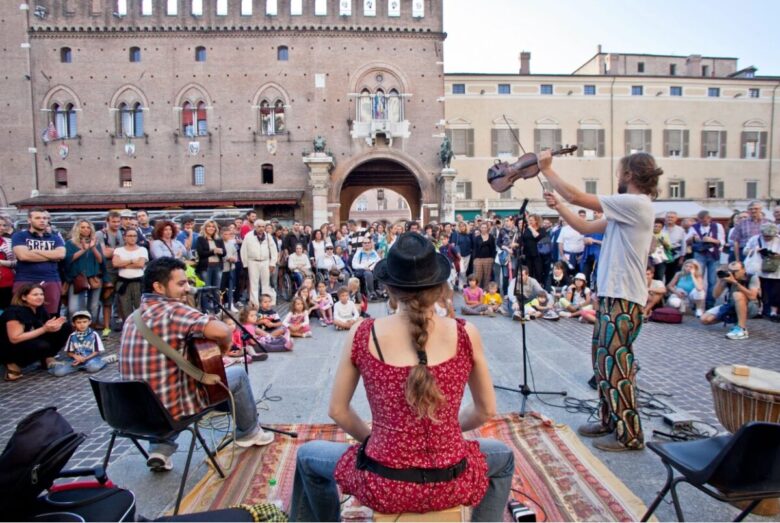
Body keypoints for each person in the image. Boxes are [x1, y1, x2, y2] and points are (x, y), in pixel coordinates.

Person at [290, 233, 513, 521]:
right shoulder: (465, 333)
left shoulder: (362, 333)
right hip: (451, 480)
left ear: (390, 289)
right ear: (439, 287)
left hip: (384, 482)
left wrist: (374, 439)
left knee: (308, 457)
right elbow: (486, 411)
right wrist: (445, 430)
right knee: (503, 457)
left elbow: (338, 411)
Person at [542, 151, 661, 452]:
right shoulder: (627, 210)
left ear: (630, 175)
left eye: (620, 171)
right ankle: (611, 422)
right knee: (603, 362)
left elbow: (577, 196)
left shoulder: (636, 204)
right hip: (613, 295)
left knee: (616, 365)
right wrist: (559, 207)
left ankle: (629, 435)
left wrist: (548, 170)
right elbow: (584, 228)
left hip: (624, 298)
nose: (618, 176)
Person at [119, 258, 274, 472]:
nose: (187, 288)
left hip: (134, 412)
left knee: (163, 383)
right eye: (181, 284)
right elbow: (224, 330)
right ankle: (249, 432)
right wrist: (224, 348)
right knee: (237, 374)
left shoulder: (133, 317)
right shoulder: (173, 310)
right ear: (158, 287)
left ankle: (160, 448)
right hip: (169, 410)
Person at [0, 283, 71, 381]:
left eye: (41, 294)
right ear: (24, 297)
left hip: (28, 340)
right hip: (8, 347)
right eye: (35, 295)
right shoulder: (14, 312)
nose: (40, 297)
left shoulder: (39, 309)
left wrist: (53, 326)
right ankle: (12, 364)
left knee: (64, 327)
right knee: (41, 345)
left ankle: (47, 357)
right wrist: (44, 329)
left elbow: (43, 328)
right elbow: (14, 338)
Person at [11, 208, 66, 316]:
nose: (42, 221)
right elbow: (23, 256)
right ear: (29, 220)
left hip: (51, 279)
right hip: (25, 279)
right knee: (21, 314)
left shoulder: (55, 238)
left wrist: (34, 251)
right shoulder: (20, 236)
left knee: (50, 315)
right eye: (38, 218)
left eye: (45, 218)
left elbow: (60, 255)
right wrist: (51, 255)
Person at [700, 261, 761, 340]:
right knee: (704, 319)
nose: (734, 273)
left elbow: (752, 296)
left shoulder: (752, 278)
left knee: (737, 294)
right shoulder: (728, 278)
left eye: (736, 271)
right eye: (731, 271)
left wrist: (735, 283)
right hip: (732, 305)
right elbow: (715, 295)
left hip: (751, 307)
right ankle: (733, 318)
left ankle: (742, 329)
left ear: (744, 270)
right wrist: (720, 281)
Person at [63, 220, 105, 323]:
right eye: (83, 227)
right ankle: (74, 328)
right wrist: (83, 250)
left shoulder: (95, 242)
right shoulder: (70, 243)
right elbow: (68, 259)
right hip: (77, 277)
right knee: (74, 308)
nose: (86, 229)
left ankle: (89, 329)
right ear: (77, 229)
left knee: (93, 307)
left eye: (88, 227)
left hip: (94, 277)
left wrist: (93, 247)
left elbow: (100, 260)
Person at [50, 310, 106, 377]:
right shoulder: (72, 336)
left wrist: (85, 358)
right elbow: (69, 352)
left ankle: (103, 360)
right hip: (75, 360)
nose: (82, 325)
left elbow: (96, 351)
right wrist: (75, 356)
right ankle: (66, 365)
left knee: (93, 368)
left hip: (90, 358)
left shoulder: (93, 334)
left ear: (89, 322)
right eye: (78, 322)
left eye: (85, 322)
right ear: (74, 324)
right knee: (59, 372)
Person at [687, 210, 724, 309]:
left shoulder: (718, 226)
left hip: (713, 254)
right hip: (700, 253)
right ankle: (696, 303)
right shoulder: (694, 227)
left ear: (709, 218)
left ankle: (710, 304)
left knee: (712, 280)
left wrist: (712, 240)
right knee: (697, 278)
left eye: (704, 220)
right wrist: (695, 239)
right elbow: (687, 241)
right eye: (700, 220)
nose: (702, 222)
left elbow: (722, 241)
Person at [743, 222, 780, 320]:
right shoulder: (755, 239)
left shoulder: (779, 240)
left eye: (769, 236)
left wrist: (776, 255)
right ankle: (759, 310)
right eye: (765, 236)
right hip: (758, 269)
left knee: (775, 292)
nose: (767, 238)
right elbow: (745, 251)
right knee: (759, 291)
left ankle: (773, 313)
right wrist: (756, 250)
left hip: (775, 271)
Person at [95, 210, 125, 335]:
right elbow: (104, 253)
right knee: (106, 298)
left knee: (122, 299)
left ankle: (123, 323)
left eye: (118, 221)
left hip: (121, 269)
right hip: (106, 271)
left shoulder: (122, 233)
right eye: (114, 221)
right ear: (107, 222)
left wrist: (113, 251)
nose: (116, 224)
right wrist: (120, 251)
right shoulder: (100, 234)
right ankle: (106, 326)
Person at [112, 228, 149, 320]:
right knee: (125, 310)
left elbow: (140, 264)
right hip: (123, 281)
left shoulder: (142, 249)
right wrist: (132, 261)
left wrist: (123, 264)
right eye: (130, 236)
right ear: (125, 237)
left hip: (138, 282)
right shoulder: (118, 250)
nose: (132, 238)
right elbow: (115, 264)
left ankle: (141, 331)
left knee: (140, 308)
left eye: (134, 236)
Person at [240, 220, 278, 307]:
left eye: (263, 227)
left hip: (265, 261)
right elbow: (243, 250)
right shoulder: (248, 236)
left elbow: (274, 250)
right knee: (254, 284)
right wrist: (245, 264)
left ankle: (266, 303)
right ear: (255, 227)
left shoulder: (268, 236)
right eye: (259, 226)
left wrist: (272, 263)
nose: (261, 228)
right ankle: (254, 304)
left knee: (266, 284)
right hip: (252, 261)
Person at [661, 211, 686, 284]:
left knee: (671, 276)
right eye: (668, 217)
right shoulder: (660, 229)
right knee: (660, 275)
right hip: (661, 255)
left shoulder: (680, 230)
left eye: (672, 217)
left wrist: (682, 257)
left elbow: (683, 244)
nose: (670, 219)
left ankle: (668, 293)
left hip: (675, 255)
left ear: (676, 219)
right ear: (665, 218)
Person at [472, 223, 495, 290]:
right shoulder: (477, 238)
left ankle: (485, 291)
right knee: (478, 276)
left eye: (485, 227)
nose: (484, 229)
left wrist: (492, 258)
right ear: (480, 228)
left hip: (488, 259)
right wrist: (474, 259)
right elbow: (475, 249)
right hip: (478, 259)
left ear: (487, 228)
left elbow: (493, 248)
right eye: (482, 227)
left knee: (487, 277)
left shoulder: (491, 237)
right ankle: (477, 290)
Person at [0, 217, 17, 310]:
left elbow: (17, 262)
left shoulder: (9, 242)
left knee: (6, 311)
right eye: (0, 225)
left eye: (4, 225)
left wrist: (3, 263)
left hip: (8, 284)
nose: (2, 228)